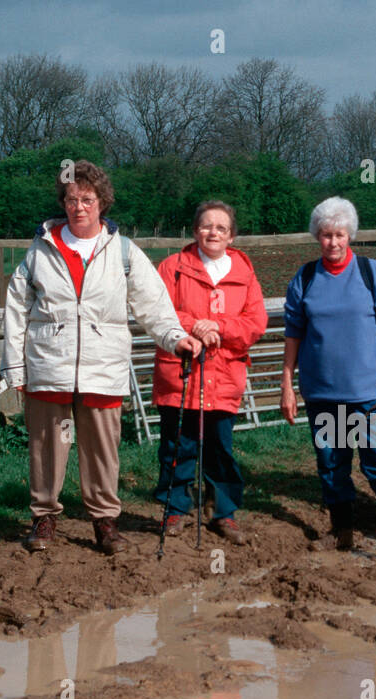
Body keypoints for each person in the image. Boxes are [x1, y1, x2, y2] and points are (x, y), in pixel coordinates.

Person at [0, 160, 200, 554]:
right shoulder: (40, 250)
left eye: (87, 199)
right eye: (71, 199)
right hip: (49, 366)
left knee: (102, 451)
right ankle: (43, 520)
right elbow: (15, 310)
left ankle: (105, 523)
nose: (79, 207)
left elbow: (155, 307)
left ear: (102, 202)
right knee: (45, 447)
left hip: (103, 368)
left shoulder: (124, 252)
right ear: (63, 202)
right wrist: (15, 366)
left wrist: (176, 338)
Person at [280, 196, 376, 553]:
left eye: (339, 234)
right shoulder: (306, 278)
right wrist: (287, 384)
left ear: (350, 235)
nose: (333, 242)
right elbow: (294, 333)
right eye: (325, 235)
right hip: (322, 392)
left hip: (367, 391)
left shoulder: (371, 274)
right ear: (317, 237)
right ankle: (342, 531)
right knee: (332, 462)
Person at [153, 200, 269, 545]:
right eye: (206, 226)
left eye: (221, 227)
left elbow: (256, 322)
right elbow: (158, 312)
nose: (213, 232)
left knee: (220, 448)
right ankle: (176, 508)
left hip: (225, 377)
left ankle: (224, 512)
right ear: (194, 231)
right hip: (181, 373)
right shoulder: (172, 267)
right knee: (178, 446)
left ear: (232, 236)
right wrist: (197, 327)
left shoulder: (244, 274)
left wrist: (218, 326)